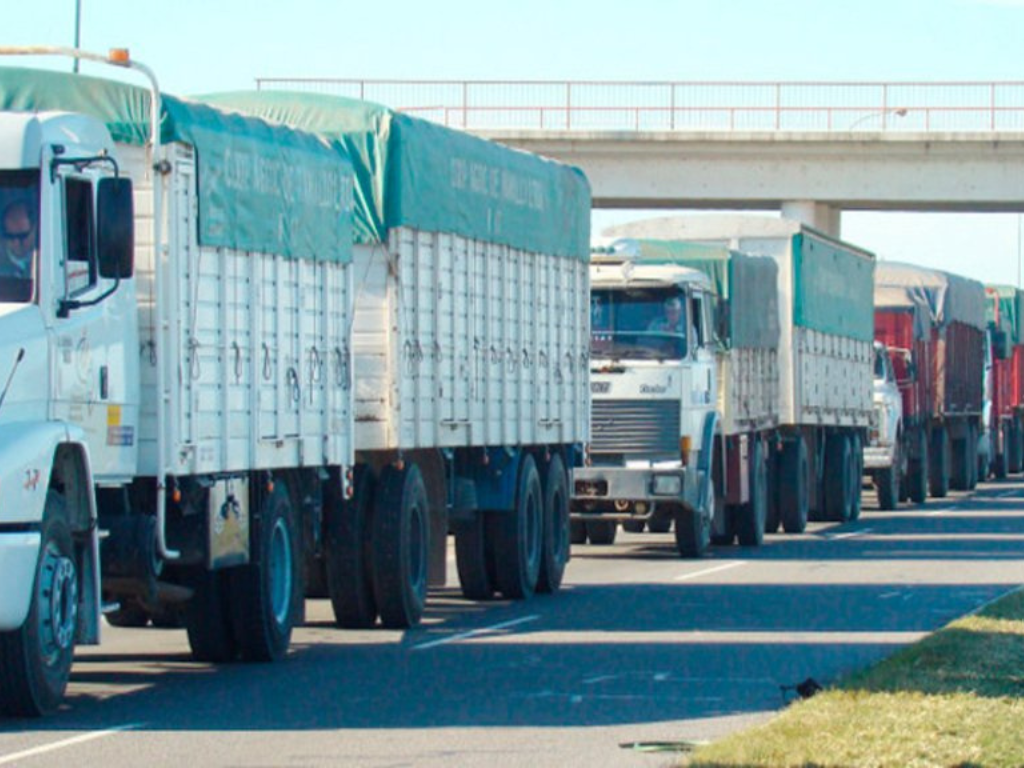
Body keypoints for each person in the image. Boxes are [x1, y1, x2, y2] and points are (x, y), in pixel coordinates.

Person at [0, 201, 37, 280]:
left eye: (22, 236)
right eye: (10, 236)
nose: (16, 243)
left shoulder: (48, 257)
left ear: (34, 230)